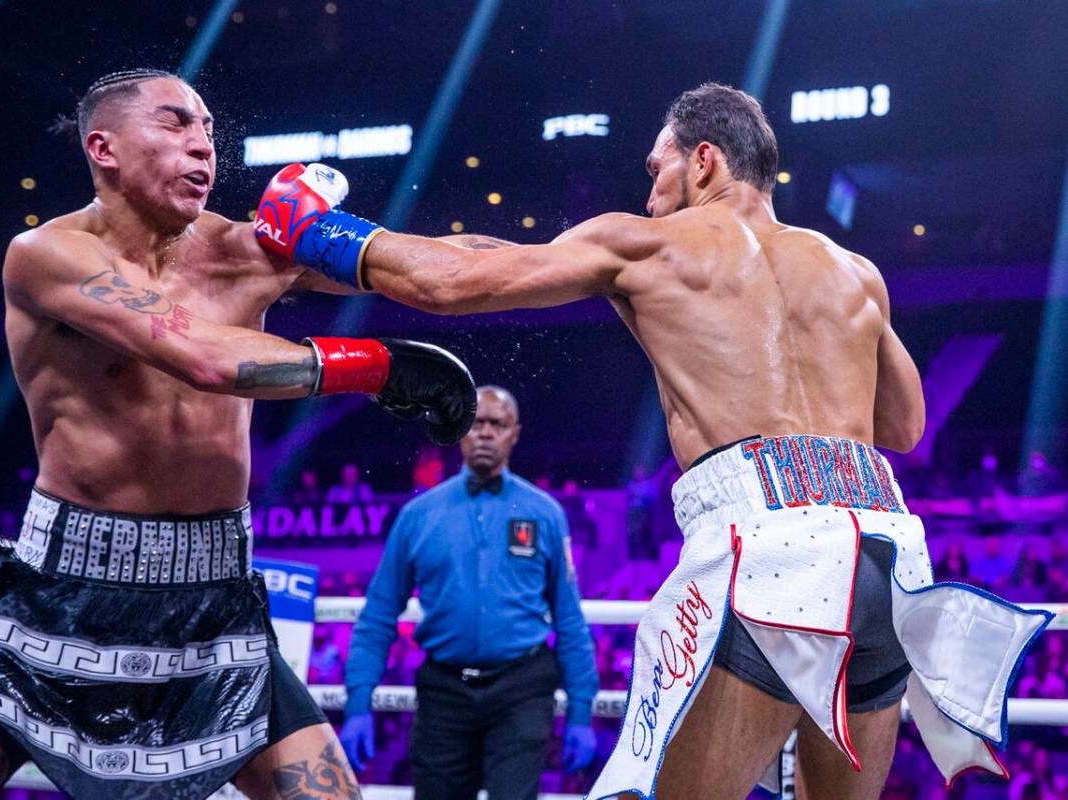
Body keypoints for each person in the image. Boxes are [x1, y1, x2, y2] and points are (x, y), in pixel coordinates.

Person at [257, 83, 1053, 799]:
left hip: (772, 552)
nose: (649, 192)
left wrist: (319, 233)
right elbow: (904, 428)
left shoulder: (646, 244)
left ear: (703, 159)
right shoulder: (852, 268)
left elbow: (452, 284)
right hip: (887, 550)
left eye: (657, 168)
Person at [0, 69, 476, 800]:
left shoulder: (244, 251)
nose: (203, 146)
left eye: (207, 130)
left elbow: (447, 271)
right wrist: (377, 366)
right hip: (59, 594)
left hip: (214, 597)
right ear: (103, 147)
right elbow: (204, 356)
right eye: (175, 125)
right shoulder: (45, 255)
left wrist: (601, 262)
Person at [339, 386, 599, 800]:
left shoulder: (545, 514)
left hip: (522, 689)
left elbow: (568, 618)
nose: (485, 433)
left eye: (497, 424)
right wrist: (357, 703)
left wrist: (581, 713)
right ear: (460, 430)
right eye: (476, 422)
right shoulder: (418, 516)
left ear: (514, 433)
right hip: (444, 692)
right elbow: (379, 615)